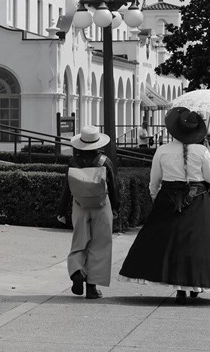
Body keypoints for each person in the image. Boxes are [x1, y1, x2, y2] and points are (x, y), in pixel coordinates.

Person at [119, 107, 210, 305]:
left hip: (168, 199)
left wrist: (156, 197)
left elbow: (154, 180)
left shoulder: (163, 151)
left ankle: (179, 288)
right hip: (197, 199)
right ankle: (194, 284)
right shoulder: (202, 150)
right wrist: (205, 152)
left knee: (169, 245)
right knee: (197, 244)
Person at [57, 125, 120, 299]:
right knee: (100, 245)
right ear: (97, 143)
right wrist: (116, 207)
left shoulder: (73, 163)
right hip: (101, 205)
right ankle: (91, 287)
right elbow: (113, 187)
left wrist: (61, 210)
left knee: (79, 242)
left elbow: (66, 189)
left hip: (79, 205)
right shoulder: (104, 161)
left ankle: (77, 272)